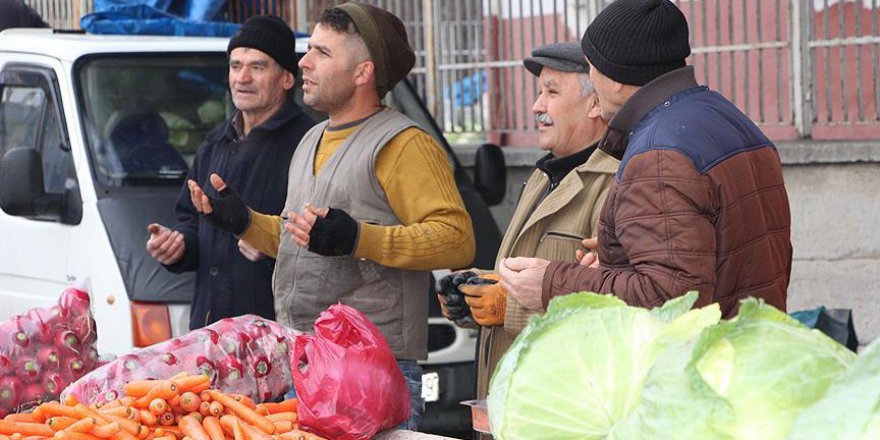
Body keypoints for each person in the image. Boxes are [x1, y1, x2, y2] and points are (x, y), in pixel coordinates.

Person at [185, 3, 476, 430]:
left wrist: (360, 238)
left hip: (371, 373)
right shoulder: (312, 139)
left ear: (363, 72)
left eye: (322, 52)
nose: (304, 61)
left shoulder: (403, 144)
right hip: (301, 363)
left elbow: (457, 238)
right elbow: (299, 238)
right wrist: (243, 221)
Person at [499, 0, 792, 320]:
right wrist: (619, 260)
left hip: (702, 359)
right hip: (751, 343)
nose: (592, 80)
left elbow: (670, 298)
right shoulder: (728, 117)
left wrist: (553, 284)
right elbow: (713, 256)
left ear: (616, 79)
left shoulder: (658, 156)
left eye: (592, 66)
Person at [435, 42, 618, 439]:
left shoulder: (614, 186)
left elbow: (611, 308)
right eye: (539, 93)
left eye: (551, 92)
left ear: (594, 104)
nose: (537, 107)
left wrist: (509, 306)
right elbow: (527, 272)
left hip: (561, 415)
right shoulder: (542, 176)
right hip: (508, 408)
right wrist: (476, 293)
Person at [145, 15, 315, 329]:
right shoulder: (215, 142)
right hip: (211, 332)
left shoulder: (308, 143)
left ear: (287, 78)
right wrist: (179, 244)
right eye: (236, 66)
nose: (242, 78)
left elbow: (321, 240)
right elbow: (192, 221)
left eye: (257, 67)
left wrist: (270, 247)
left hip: (277, 335)